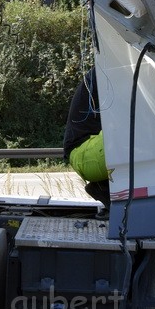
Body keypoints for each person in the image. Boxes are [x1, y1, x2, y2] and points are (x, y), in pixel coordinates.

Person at [63, 68, 110, 207]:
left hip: (83, 152)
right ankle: (105, 187)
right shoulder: (111, 70)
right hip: (84, 152)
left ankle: (104, 187)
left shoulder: (108, 67)